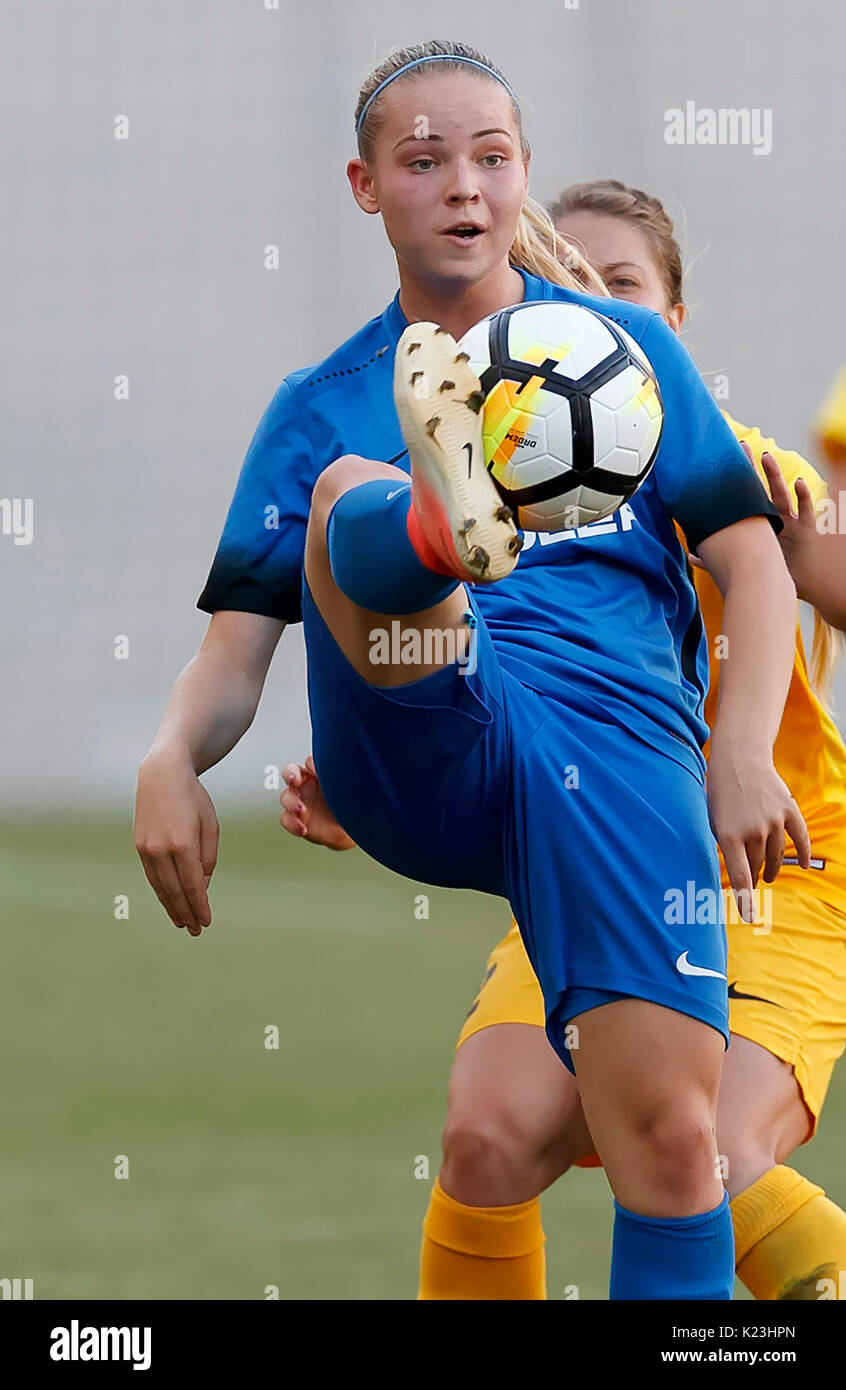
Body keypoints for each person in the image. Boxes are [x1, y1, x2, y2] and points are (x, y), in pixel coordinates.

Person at [135, 41, 807, 1300]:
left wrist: (739, 751)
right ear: (364, 185)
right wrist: (172, 757)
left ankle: (440, 520)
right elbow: (232, 658)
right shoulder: (318, 401)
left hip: (616, 753)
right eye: (424, 160)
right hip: (427, 715)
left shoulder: (626, 355)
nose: (462, 187)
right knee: (353, 493)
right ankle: (440, 524)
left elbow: (754, 563)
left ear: (523, 179)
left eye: (490, 159)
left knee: (671, 1146)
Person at [283, 178, 846, 1302]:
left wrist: (737, 752)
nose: (588, 303)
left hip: (776, 879)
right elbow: (466, 685)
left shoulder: (739, 465)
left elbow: (816, 564)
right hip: (592, 863)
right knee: (488, 1137)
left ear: (668, 327)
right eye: (562, 285)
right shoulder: (489, 504)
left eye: (619, 285)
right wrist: (378, 774)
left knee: (703, 1159)